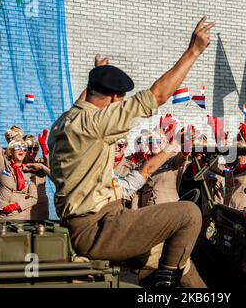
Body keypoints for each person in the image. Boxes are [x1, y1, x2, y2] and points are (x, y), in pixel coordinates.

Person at [48, 16, 215, 288]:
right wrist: (193, 51)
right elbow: (157, 96)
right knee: (189, 215)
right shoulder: (95, 125)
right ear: (114, 98)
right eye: (119, 101)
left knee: (179, 260)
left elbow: (83, 102)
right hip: (101, 227)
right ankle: (166, 286)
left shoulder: (66, 121)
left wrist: (99, 73)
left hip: (97, 222)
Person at [0, 108, 38, 219]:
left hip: (19, 218)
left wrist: (17, 206)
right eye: (17, 147)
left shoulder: (30, 170)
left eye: (24, 148)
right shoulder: (3, 162)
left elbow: (34, 198)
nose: (21, 150)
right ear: (11, 149)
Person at [23, 133, 50, 220]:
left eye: (35, 149)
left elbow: (48, 166)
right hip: (24, 202)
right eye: (29, 148)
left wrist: (43, 146)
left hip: (40, 203)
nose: (32, 152)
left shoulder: (40, 161)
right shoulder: (18, 162)